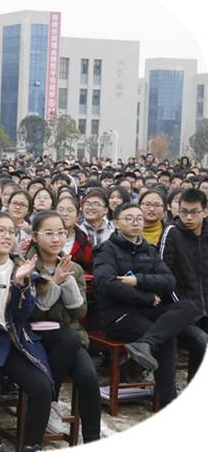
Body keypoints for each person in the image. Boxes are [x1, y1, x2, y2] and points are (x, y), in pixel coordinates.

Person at [92, 202, 201, 409]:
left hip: (146, 313)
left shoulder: (148, 250)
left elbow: (168, 280)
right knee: (167, 338)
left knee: (191, 306)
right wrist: (147, 298)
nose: (135, 222)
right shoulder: (107, 250)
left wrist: (138, 281)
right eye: (129, 218)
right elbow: (107, 284)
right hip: (119, 316)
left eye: (139, 218)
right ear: (116, 223)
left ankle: (147, 343)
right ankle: (167, 402)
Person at [0, 211, 53, 452]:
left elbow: (24, 315)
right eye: (1, 230)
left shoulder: (21, 267)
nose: (7, 236)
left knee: (41, 386)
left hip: (15, 341)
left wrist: (20, 284)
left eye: (11, 232)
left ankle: (31, 444)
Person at [26, 211, 101, 443]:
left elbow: (79, 313)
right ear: (35, 237)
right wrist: (53, 283)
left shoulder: (74, 268)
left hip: (68, 338)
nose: (56, 238)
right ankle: (51, 401)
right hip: (35, 337)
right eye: (48, 233)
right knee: (69, 338)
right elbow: (31, 312)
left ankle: (92, 439)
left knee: (88, 377)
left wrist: (67, 281)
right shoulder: (25, 266)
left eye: (60, 232)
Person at [159, 187, 208, 374]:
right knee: (201, 341)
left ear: (205, 211)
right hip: (181, 311)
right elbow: (165, 275)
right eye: (184, 212)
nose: (188, 217)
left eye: (194, 212)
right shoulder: (172, 232)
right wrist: (183, 307)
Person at [55, 195, 93, 272]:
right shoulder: (43, 236)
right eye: (61, 210)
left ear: (77, 216)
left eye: (70, 210)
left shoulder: (84, 242)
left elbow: (90, 270)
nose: (65, 214)